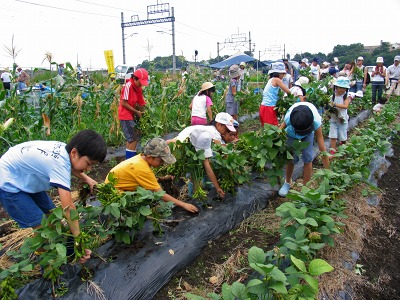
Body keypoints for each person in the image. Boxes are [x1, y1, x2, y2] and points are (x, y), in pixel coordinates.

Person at [0, 129, 107, 263]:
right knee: (42, 228)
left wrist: (87, 179)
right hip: (9, 182)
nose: (89, 169)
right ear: (74, 152)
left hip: (24, 174)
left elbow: (72, 165)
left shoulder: (65, 151)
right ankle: (48, 264)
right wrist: (79, 240)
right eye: (89, 164)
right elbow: (68, 208)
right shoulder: (59, 165)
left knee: (53, 215)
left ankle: (66, 254)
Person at [106, 137, 198, 213]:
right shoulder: (142, 168)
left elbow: (143, 178)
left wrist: (160, 179)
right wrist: (184, 204)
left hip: (115, 186)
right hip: (113, 195)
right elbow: (161, 194)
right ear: (150, 157)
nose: (162, 163)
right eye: (161, 160)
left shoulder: (141, 158)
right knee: (144, 204)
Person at [278, 102, 330, 197]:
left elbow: (321, 142)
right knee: (291, 158)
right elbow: (279, 131)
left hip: (308, 135)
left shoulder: (315, 121)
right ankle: (287, 182)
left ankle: (305, 189)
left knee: (308, 157)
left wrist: (328, 170)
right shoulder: (289, 117)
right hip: (291, 134)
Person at [119, 68, 149, 159]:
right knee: (134, 139)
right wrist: (136, 112)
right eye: (140, 82)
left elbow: (141, 103)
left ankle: (129, 160)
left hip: (131, 115)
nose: (141, 85)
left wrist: (144, 113)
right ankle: (130, 162)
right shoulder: (128, 86)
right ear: (135, 79)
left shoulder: (138, 88)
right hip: (125, 115)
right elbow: (123, 103)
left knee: (132, 138)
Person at [167, 112, 236, 146]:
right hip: (187, 136)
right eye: (226, 129)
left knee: (174, 141)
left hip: (188, 131)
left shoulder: (212, 129)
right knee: (174, 143)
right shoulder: (214, 132)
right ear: (218, 124)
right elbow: (221, 148)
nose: (227, 131)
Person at [327, 76, 354, 155]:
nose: (342, 90)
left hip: (342, 119)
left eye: (344, 88)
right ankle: (332, 149)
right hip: (333, 119)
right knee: (333, 135)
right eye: (340, 88)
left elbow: (345, 106)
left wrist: (335, 105)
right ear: (336, 87)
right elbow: (328, 108)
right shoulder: (332, 97)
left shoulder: (346, 97)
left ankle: (343, 148)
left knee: (342, 135)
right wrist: (328, 114)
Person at [260, 62, 291, 126]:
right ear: (279, 73)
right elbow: (288, 91)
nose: (283, 76)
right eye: (283, 74)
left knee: (267, 128)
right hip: (269, 107)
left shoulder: (271, 79)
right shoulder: (277, 80)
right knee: (272, 129)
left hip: (264, 106)